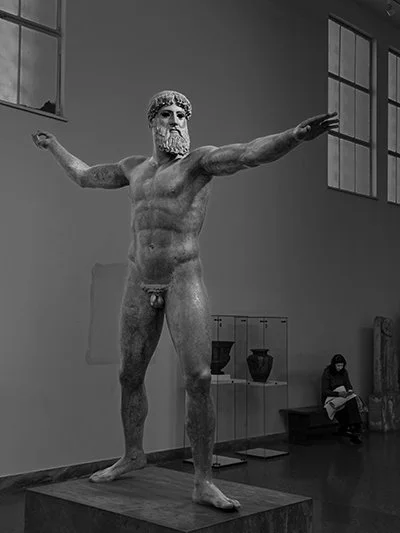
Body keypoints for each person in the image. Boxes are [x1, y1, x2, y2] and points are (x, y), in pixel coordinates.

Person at [32, 90, 339, 511]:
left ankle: (203, 481)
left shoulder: (199, 163)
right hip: (139, 278)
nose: (175, 120)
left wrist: (294, 136)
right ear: (152, 122)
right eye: (167, 113)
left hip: (182, 277)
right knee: (129, 375)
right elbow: (85, 176)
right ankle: (133, 454)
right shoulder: (132, 168)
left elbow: (248, 153)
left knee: (198, 378)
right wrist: (54, 146)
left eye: (181, 114)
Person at [321, 354, 363, 444]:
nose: (340, 368)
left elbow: (348, 385)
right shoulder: (327, 373)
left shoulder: (344, 372)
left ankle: (355, 427)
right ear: (334, 365)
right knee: (350, 403)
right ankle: (355, 426)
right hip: (331, 397)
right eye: (338, 365)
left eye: (341, 365)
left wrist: (349, 391)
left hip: (343, 395)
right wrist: (338, 393)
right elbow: (325, 391)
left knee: (352, 399)